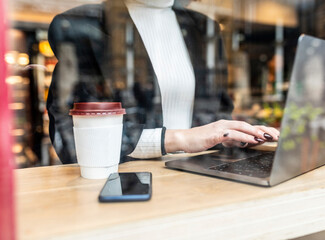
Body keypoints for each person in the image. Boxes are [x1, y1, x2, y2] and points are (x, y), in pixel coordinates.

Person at [47, 0, 279, 164]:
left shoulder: (204, 28)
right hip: (127, 184)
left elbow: (214, 113)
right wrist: (180, 139)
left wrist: (234, 135)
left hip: (200, 176)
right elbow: (72, 141)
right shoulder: (82, 25)